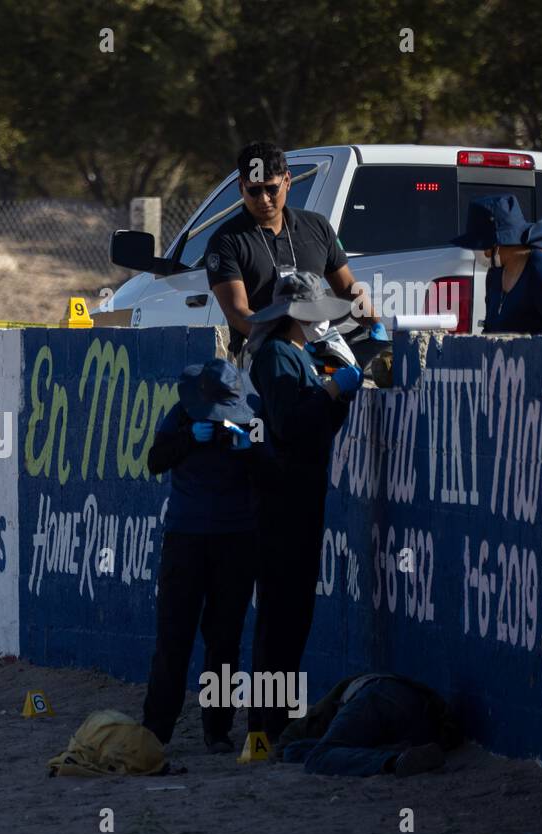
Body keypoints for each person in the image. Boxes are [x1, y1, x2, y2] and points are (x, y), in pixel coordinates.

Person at [245, 271, 361, 744]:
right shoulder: (276, 356)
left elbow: (314, 425)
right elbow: (291, 424)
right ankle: (269, 722)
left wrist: (335, 397)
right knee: (282, 613)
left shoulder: (294, 355)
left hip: (299, 494)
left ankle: (276, 718)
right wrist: (330, 393)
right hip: (283, 498)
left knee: (293, 612)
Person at [141, 359, 261, 754]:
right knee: (173, 638)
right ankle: (156, 730)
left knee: (224, 640)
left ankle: (218, 730)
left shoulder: (252, 414)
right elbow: (155, 461)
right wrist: (190, 438)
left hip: (236, 539)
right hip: (186, 539)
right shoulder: (181, 414)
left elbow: (273, 468)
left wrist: (247, 449)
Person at [207, 141, 386, 354]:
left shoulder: (317, 226)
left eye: (271, 189)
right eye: (254, 191)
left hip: (321, 350)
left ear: (287, 181)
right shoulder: (226, 240)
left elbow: (348, 288)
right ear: (241, 187)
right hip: (261, 356)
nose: (263, 199)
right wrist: (286, 345)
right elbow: (237, 312)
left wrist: (375, 325)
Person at [277, 673, 463, 776]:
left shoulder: (330, 710)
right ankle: (398, 755)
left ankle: (392, 761)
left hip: (376, 697)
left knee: (317, 758)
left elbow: (291, 739)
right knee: (299, 751)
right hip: (423, 723)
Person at [451, 193, 542, 334]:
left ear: (497, 243)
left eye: (479, 245)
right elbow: (490, 329)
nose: (476, 251)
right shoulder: (495, 274)